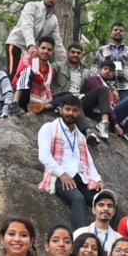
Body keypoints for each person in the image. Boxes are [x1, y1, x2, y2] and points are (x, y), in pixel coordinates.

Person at [38, 93, 105, 229]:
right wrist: (62, 174)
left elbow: (88, 161)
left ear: (79, 113)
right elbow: (44, 156)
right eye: (68, 109)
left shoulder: (80, 135)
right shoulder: (49, 128)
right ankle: (84, 239)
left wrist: (97, 179)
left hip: (80, 178)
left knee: (104, 200)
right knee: (78, 198)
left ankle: (110, 242)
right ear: (61, 110)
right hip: (58, 176)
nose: (71, 113)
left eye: (75, 110)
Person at [91, 21, 128, 137]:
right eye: (115, 30)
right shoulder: (102, 50)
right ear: (111, 32)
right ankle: (112, 125)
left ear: (124, 34)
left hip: (125, 88)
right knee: (110, 110)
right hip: (106, 88)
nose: (118, 32)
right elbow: (94, 69)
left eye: (121, 30)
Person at [6, 0, 61, 75]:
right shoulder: (32, 6)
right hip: (17, 44)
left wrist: (65, 61)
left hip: (32, 51)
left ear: (57, 0)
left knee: (28, 79)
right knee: (14, 75)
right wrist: (31, 45)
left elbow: (57, 42)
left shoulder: (53, 19)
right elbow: (27, 26)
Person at [13, 35, 57, 114]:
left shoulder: (51, 70)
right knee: (27, 71)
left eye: (49, 49)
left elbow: (47, 89)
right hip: (23, 96)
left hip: (38, 101)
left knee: (68, 96)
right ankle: (14, 104)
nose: (46, 51)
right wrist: (41, 81)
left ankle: (42, 107)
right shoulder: (28, 58)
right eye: (43, 48)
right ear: (37, 49)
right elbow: (23, 70)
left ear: (52, 52)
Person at [82, 59, 124, 142]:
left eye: (111, 70)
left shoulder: (109, 87)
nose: (108, 71)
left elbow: (110, 105)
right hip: (86, 107)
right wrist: (115, 123)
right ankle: (104, 122)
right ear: (99, 70)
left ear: (113, 74)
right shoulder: (94, 79)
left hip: (97, 114)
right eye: (105, 69)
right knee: (103, 90)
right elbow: (104, 102)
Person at [75, 189, 124, 253]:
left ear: (114, 212)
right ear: (93, 210)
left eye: (109, 206)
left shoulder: (118, 239)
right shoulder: (79, 233)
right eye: (101, 205)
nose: (105, 209)